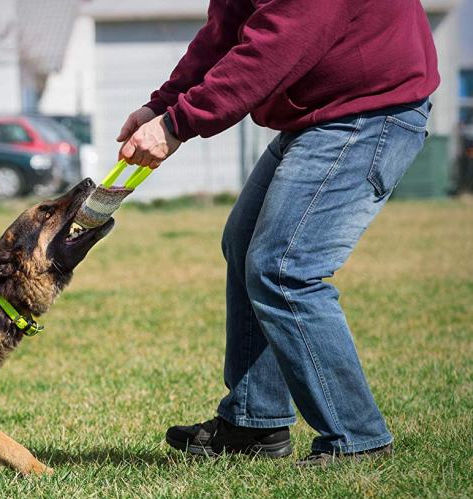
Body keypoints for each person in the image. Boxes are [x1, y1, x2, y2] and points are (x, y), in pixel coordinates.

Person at [116, 0, 439, 465]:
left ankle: (357, 437)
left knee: (284, 267)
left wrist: (177, 124)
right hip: (322, 115)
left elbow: (277, 44)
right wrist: (160, 106)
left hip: (369, 112)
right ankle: (256, 422)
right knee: (245, 243)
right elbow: (225, 33)